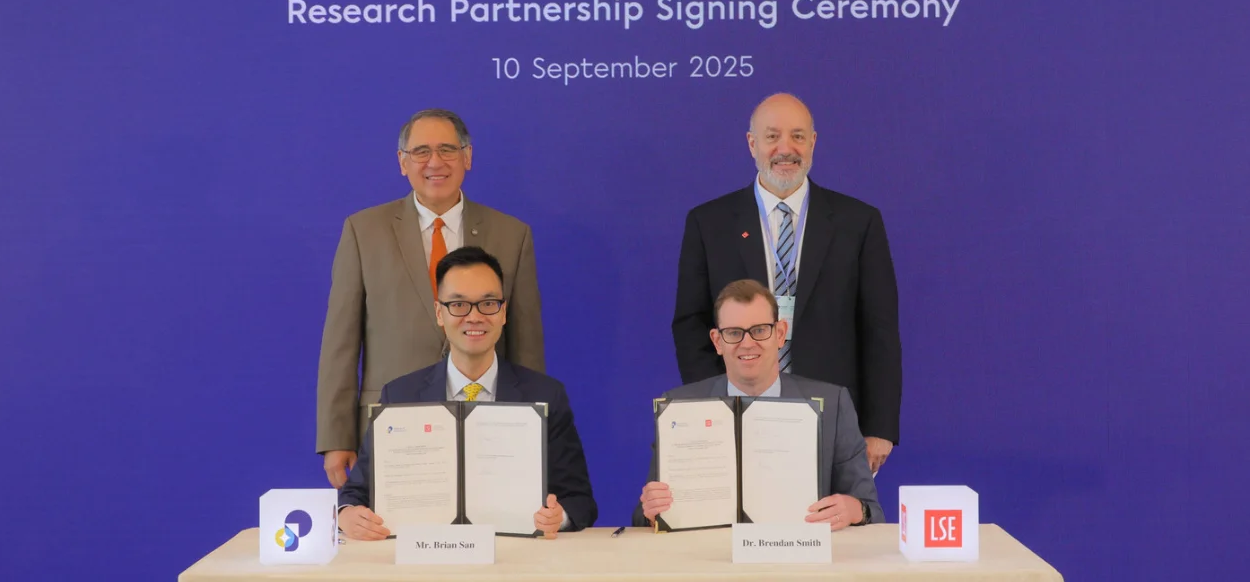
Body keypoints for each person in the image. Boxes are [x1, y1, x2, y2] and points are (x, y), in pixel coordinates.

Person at [673, 93, 901, 473]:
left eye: (797, 136)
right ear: (752, 144)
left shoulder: (858, 223)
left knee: (832, 527)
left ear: (813, 142)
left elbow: (879, 331)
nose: (785, 149)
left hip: (833, 420)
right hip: (736, 414)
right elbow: (691, 323)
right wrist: (712, 408)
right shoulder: (708, 223)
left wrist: (879, 428)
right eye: (772, 136)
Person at [317, 109, 545, 488]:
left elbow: (527, 346)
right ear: (402, 163)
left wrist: (534, 426)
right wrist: (336, 436)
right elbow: (340, 343)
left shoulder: (512, 234)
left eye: (447, 150)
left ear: (467, 157)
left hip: (490, 424)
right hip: (394, 424)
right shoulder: (363, 231)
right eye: (421, 151)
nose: (434, 162)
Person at [339, 246, 596, 539]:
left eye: (488, 303)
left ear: (503, 312)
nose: (474, 317)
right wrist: (347, 515)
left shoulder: (546, 395)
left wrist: (557, 517)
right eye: (459, 305)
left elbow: (580, 502)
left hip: (516, 561)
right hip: (425, 558)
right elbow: (355, 492)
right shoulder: (399, 395)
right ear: (439, 312)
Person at [638, 279, 883, 529]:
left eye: (759, 330)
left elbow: (870, 510)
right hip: (708, 560)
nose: (747, 343)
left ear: (779, 334)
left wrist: (854, 510)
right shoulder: (677, 408)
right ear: (717, 341)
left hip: (801, 560)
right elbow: (643, 516)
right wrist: (652, 511)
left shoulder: (833, 405)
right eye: (734, 333)